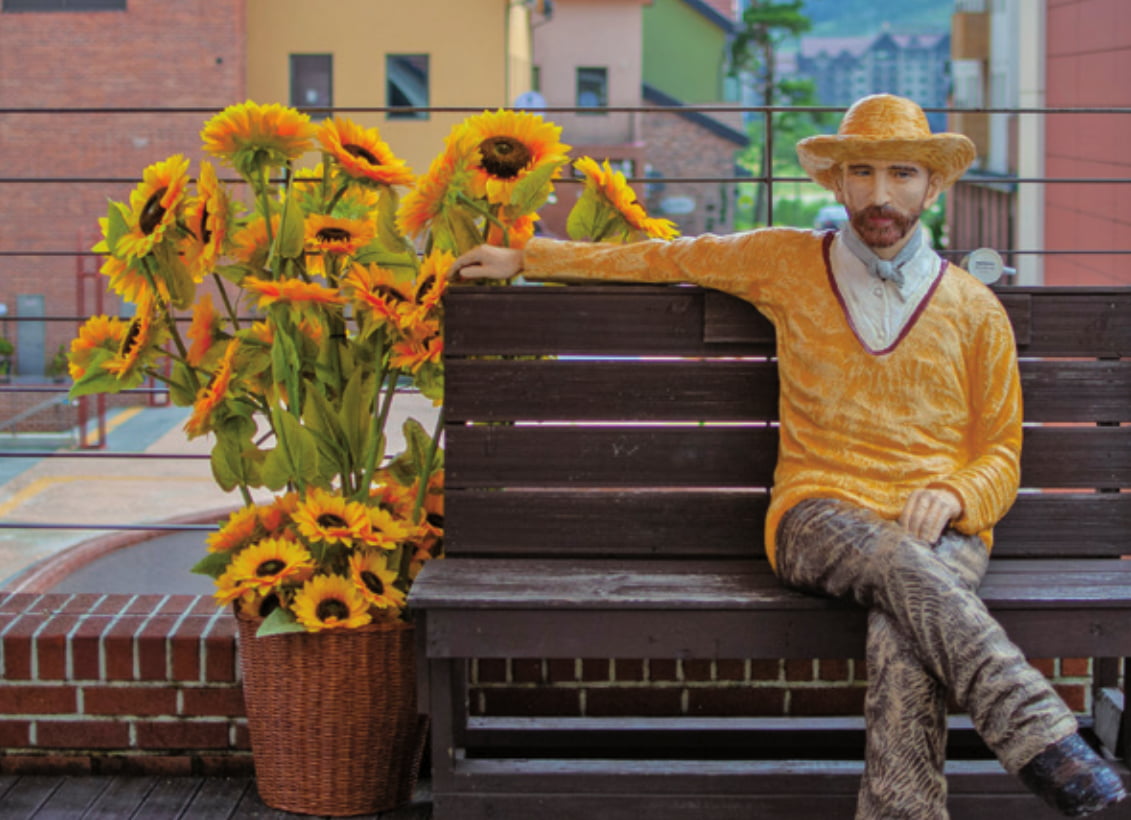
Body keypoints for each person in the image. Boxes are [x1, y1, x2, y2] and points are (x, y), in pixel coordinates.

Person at [451, 94, 1127, 819]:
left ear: (932, 186)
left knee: (904, 625)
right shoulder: (784, 262)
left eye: (900, 174)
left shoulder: (972, 308)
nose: (878, 194)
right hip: (816, 513)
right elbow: (667, 254)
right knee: (909, 574)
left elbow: (999, 449)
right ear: (835, 183)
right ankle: (1039, 732)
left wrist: (960, 494)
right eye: (860, 172)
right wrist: (532, 256)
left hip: (943, 525)